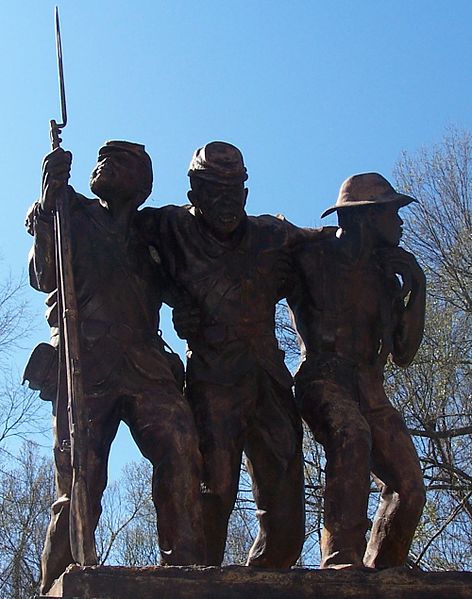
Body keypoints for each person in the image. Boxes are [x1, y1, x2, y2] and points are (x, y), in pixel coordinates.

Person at [24, 141, 205, 595]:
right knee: (80, 480)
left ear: (141, 184)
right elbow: (44, 276)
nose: (104, 164)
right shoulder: (69, 212)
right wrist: (48, 206)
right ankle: (57, 582)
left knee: (181, 444)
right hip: (86, 362)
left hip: (145, 365)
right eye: (102, 158)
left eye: (119, 161)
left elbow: (181, 294)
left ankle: (185, 568)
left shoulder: (150, 235)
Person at [137, 141, 313, 568]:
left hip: (269, 381)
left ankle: (262, 582)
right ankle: (199, 583)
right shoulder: (168, 227)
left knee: (288, 513)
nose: (226, 202)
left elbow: (331, 249)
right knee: (212, 493)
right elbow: (111, 233)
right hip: (213, 382)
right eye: (214, 191)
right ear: (193, 193)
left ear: (247, 194)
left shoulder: (274, 237)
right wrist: (52, 209)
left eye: (234, 191)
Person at [288, 173, 426, 569]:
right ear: (366, 217)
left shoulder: (387, 274)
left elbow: (403, 353)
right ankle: (340, 559)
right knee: (351, 436)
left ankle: (383, 571)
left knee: (410, 486)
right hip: (322, 378)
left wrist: (417, 287)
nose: (400, 223)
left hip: (370, 386)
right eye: (391, 213)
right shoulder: (311, 254)